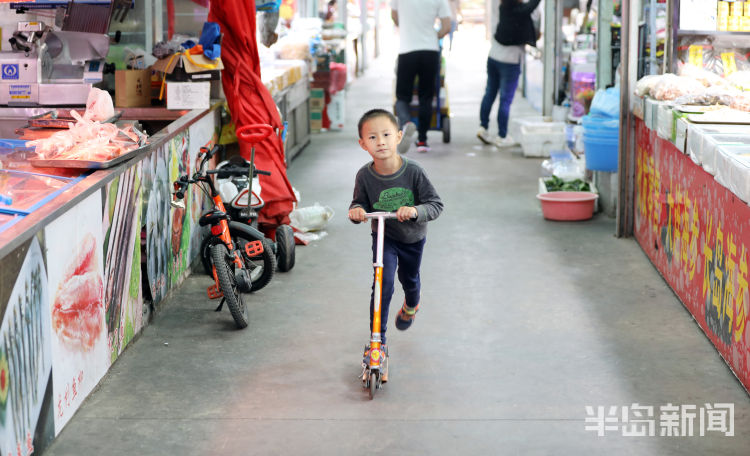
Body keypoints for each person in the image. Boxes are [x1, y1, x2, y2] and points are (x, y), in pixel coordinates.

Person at [349, 109, 444, 369]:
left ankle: (412, 303)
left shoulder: (414, 171)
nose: (380, 141)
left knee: (409, 280)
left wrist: (415, 211)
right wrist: (356, 212)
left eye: (386, 135)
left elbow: (435, 205)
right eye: (372, 137)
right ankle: (377, 341)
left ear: (399, 137)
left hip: (412, 238)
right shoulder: (364, 176)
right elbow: (359, 203)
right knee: (383, 282)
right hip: (384, 237)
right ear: (362, 144)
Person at [477, 0, 542, 148]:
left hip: (493, 56)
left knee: (489, 93)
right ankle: (502, 135)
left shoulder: (504, 7)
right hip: (510, 61)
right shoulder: (520, 10)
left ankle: (483, 127)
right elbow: (531, 8)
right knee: (505, 100)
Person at [391, 0, 452, 153]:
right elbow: (447, 27)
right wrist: (432, 36)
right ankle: (423, 140)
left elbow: (394, 17)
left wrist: (408, 25)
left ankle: (405, 123)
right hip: (429, 51)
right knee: (426, 96)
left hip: (407, 50)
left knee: (402, 97)